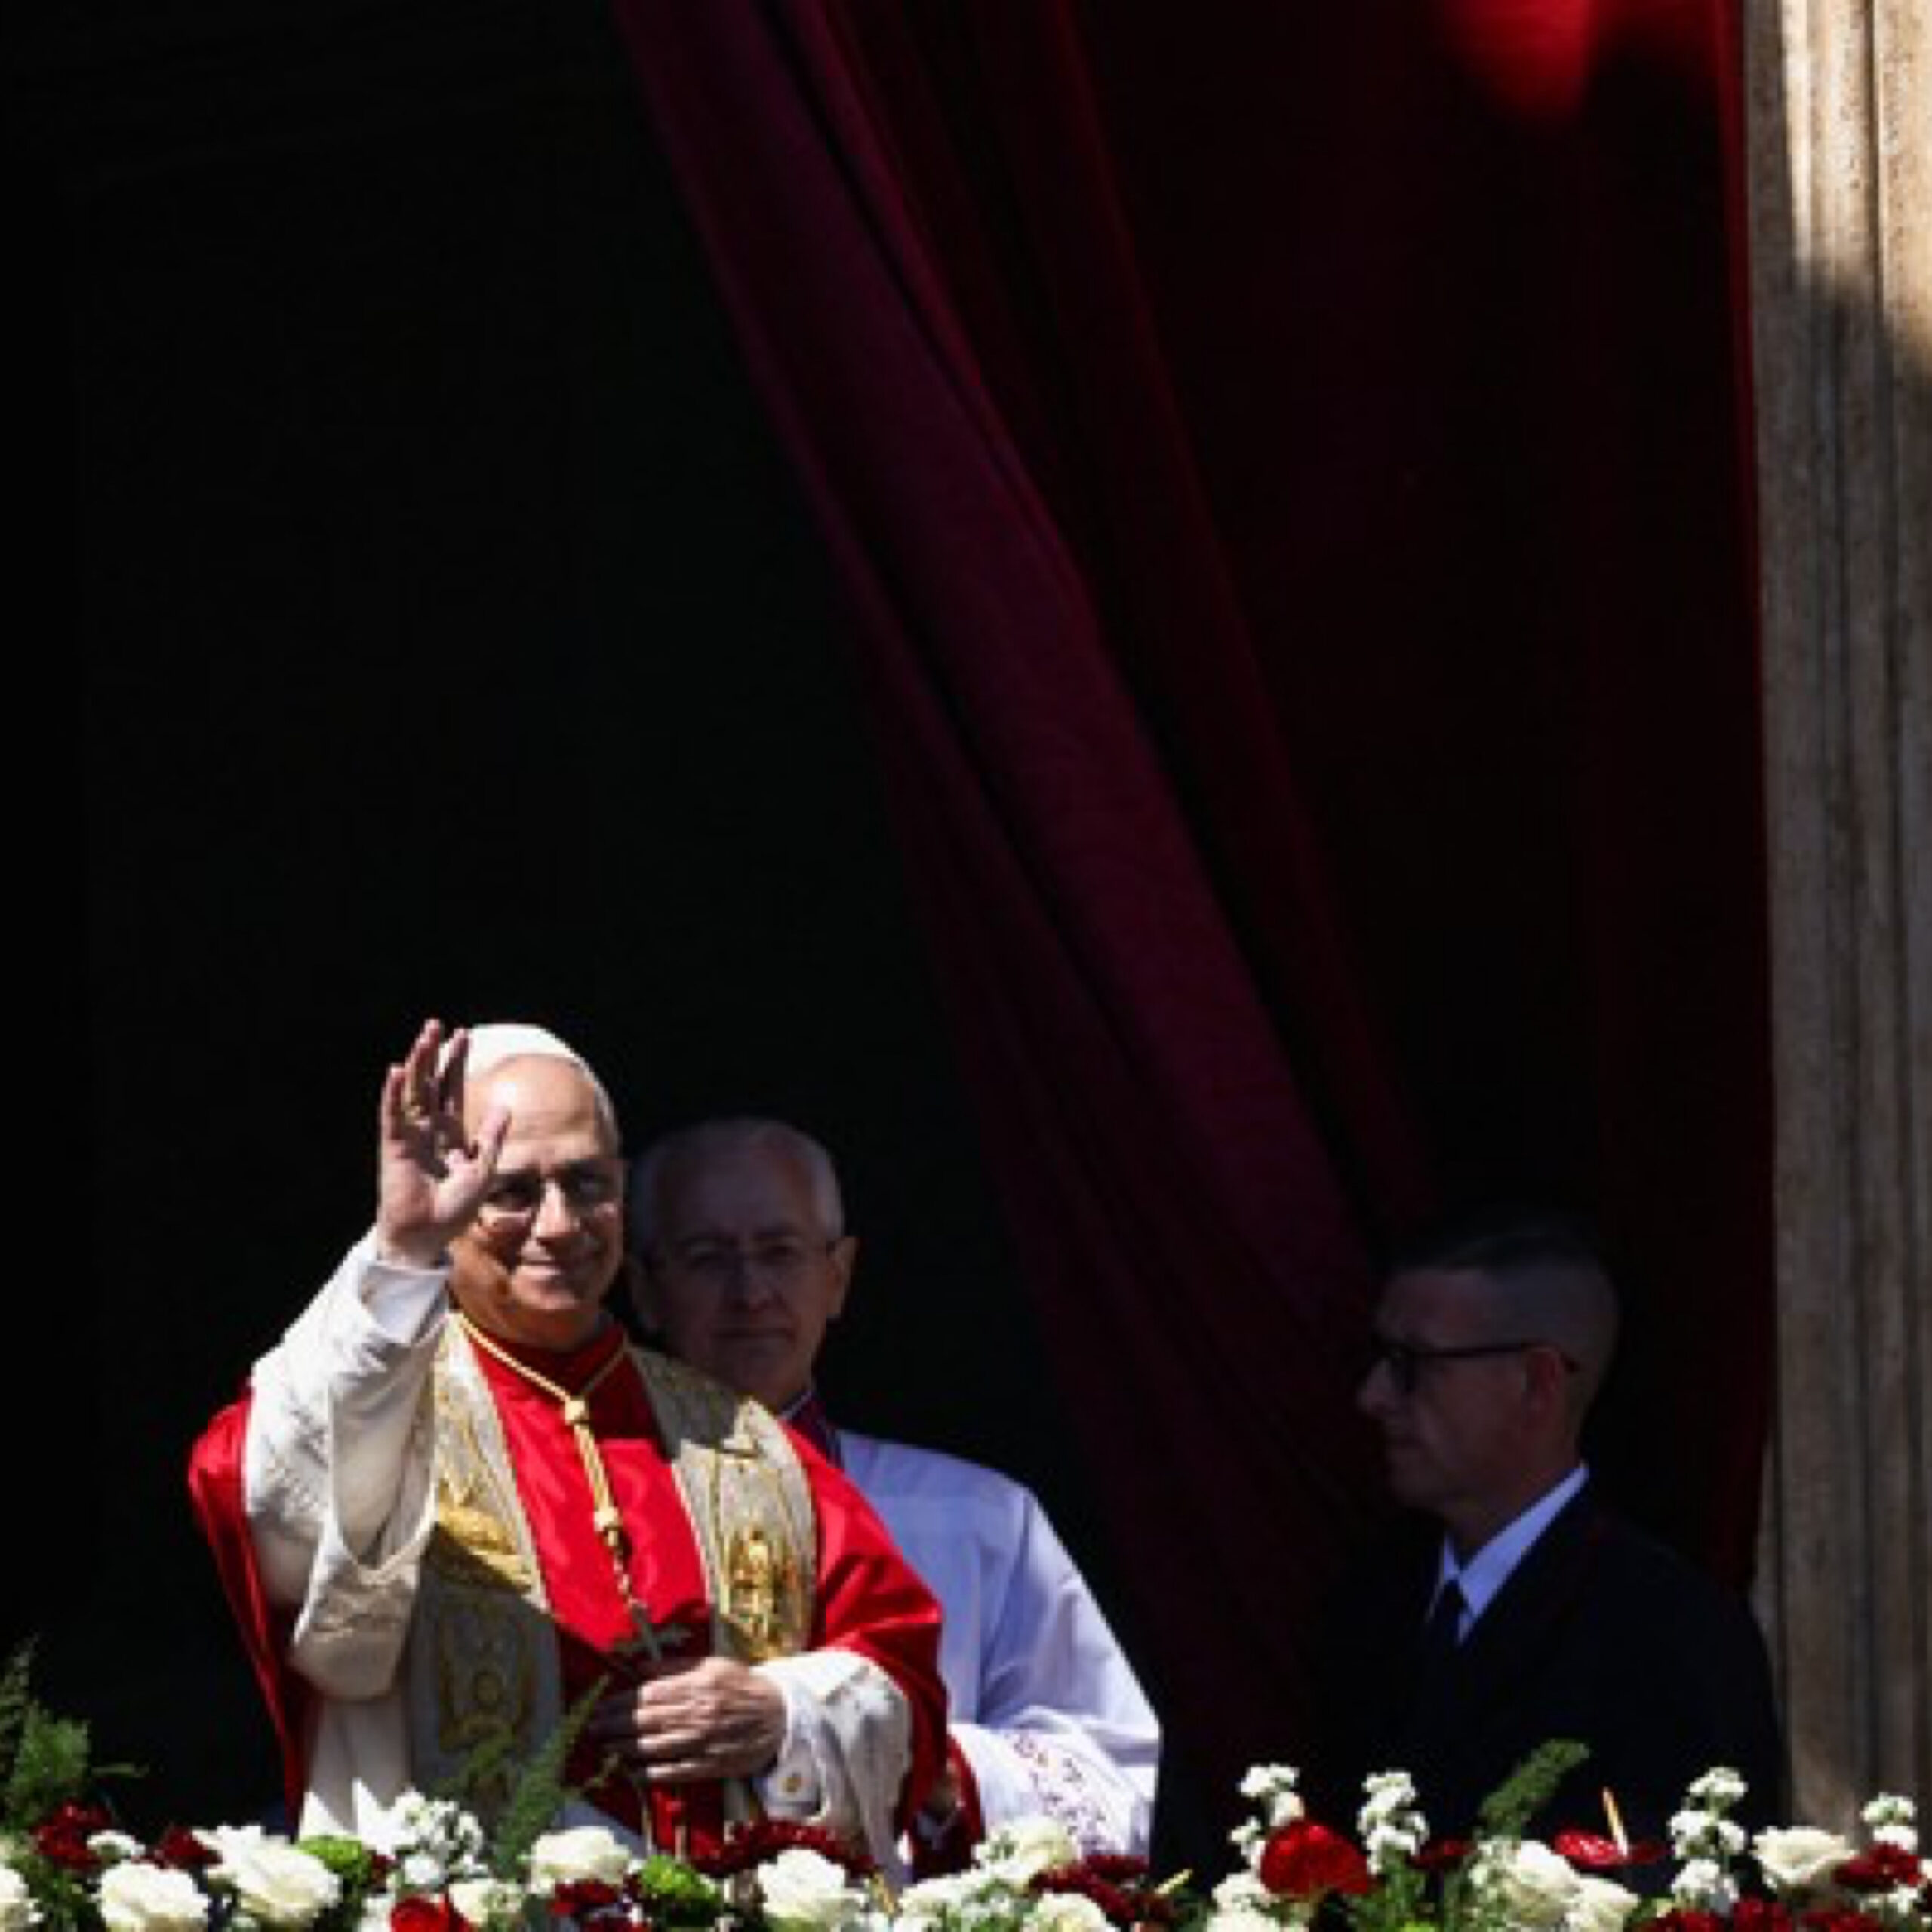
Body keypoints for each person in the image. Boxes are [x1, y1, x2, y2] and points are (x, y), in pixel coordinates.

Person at [186, 1020, 947, 1874]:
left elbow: (904, 1674)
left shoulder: (741, 1438)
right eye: (511, 1190)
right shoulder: (381, 1398)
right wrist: (402, 1251)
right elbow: (253, 1492)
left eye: (587, 1183)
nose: (560, 1225)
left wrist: (784, 1711)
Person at [626, 1116, 1161, 1865]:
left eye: (780, 1253)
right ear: (644, 1287)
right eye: (707, 1258)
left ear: (838, 1276)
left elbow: (1110, 1783)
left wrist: (884, 1747)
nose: (750, 1292)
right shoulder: (576, 1516)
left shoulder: (977, 1517)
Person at [1309, 1207, 1785, 1848]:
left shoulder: (1670, 1632)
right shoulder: (1370, 1606)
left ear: (1536, 1382)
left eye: (1410, 1364)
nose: (1374, 1396)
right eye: (1378, 1358)